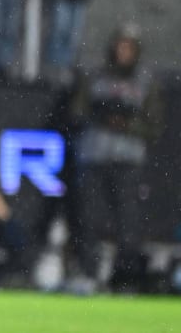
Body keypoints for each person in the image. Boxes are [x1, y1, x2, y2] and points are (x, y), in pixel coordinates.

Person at [66, 24, 164, 294]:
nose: (123, 52)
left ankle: (124, 276)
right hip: (94, 155)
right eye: (120, 45)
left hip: (127, 159)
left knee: (128, 223)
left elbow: (155, 126)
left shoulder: (145, 82)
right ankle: (89, 272)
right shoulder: (94, 77)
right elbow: (76, 113)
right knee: (88, 219)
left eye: (129, 47)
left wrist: (127, 123)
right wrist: (99, 115)